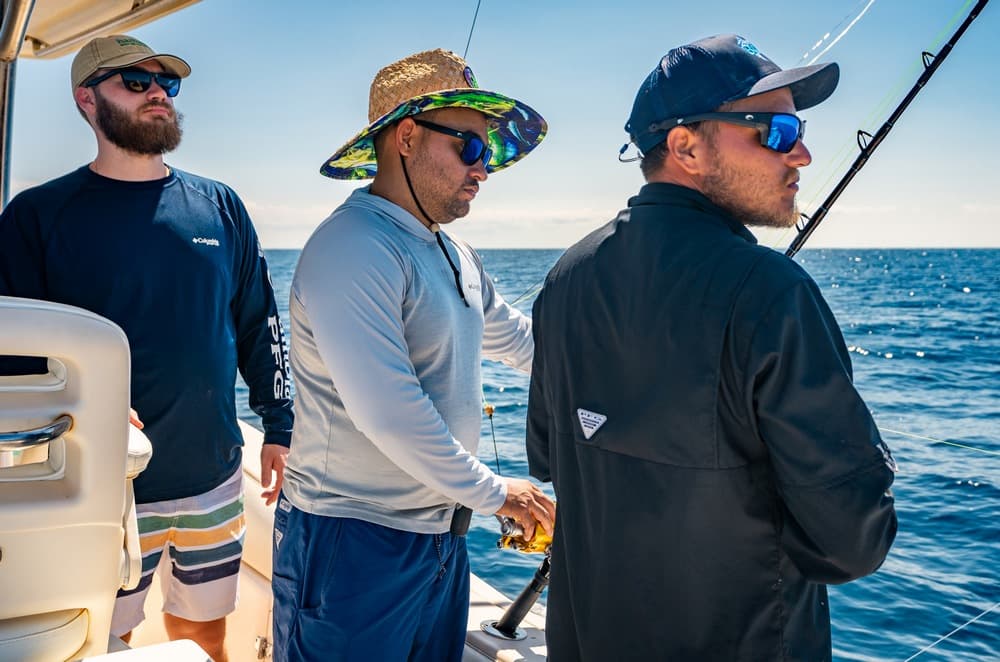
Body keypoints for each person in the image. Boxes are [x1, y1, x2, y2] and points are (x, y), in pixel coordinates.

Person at [526, 34, 898, 661]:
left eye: (798, 129)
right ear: (685, 146)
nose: (802, 153)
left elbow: (549, 457)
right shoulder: (773, 293)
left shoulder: (566, 277)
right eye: (775, 131)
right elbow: (853, 542)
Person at [0, 35, 294, 661]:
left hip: (214, 475)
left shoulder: (220, 207)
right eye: (134, 81)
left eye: (166, 83)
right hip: (102, 483)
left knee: (204, 635)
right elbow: (15, 355)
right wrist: (93, 405)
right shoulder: (36, 217)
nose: (157, 92)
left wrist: (279, 422)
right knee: (108, 639)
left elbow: (257, 321)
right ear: (88, 101)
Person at [272, 48, 556, 662]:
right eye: (471, 149)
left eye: (491, 156)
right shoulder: (353, 246)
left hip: (439, 541)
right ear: (406, 136)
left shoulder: (454, 254)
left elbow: (527, 346)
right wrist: (500, 495)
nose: (484, 170)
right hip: (349, 544)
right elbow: (389, 411)